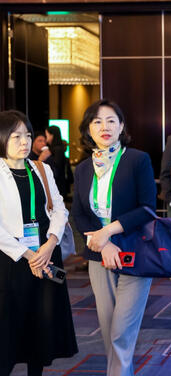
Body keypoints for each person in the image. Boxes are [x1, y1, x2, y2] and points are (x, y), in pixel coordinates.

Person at [71, 99, 157, 376]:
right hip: (99, 255)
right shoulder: (84, 168)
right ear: (88, 129)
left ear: (121, 127)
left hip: (134, 252)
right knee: (109, 329)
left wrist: (109, 231)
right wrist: (103, 243)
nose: (104, 127)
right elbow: (78, 213)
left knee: (122, 331)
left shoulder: (137, 160)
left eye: (111, 121)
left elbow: (147, 208)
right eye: (97, 121)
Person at [0, 110, 77, 375]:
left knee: (42, 325)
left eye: (28, 135)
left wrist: (50, 243)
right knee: (9, 326)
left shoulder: (41, 168)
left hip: (46, 255)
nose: (24, 141)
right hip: (12, 260)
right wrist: (29, 255)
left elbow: (59, 209)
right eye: (16, 136)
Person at [45, 125, 73, 200]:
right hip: (58, 184)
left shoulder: (57, 150)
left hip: (57, 185)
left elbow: (56, 168)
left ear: (52, 135)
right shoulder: (58, 148)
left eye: (47, 135)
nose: (46, 138)